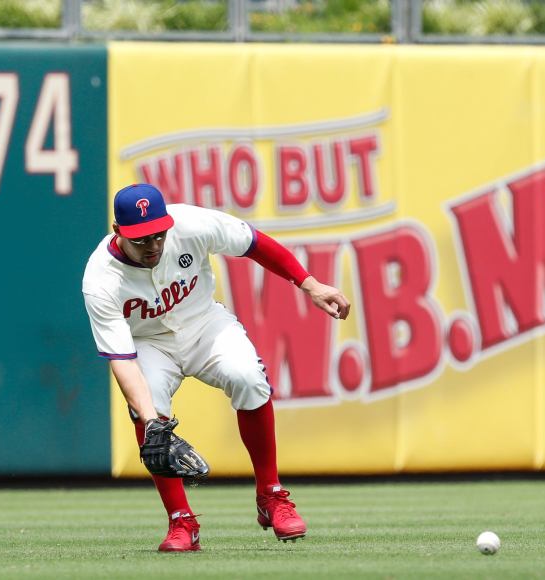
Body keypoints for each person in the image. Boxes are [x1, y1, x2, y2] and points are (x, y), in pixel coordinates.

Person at [81, 183, 351, 552]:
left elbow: (254, 243)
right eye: (142, 239)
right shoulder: (101, 279)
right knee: (148, 412)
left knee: (247, 377)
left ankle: (271, 496)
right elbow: (122, 361)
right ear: (118, 231)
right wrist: (152, 420)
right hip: (149, 343)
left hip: (205, 323)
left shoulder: (191, 224)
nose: (154, 245)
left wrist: (308, 283)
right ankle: (181, 522)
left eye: (158, 234)